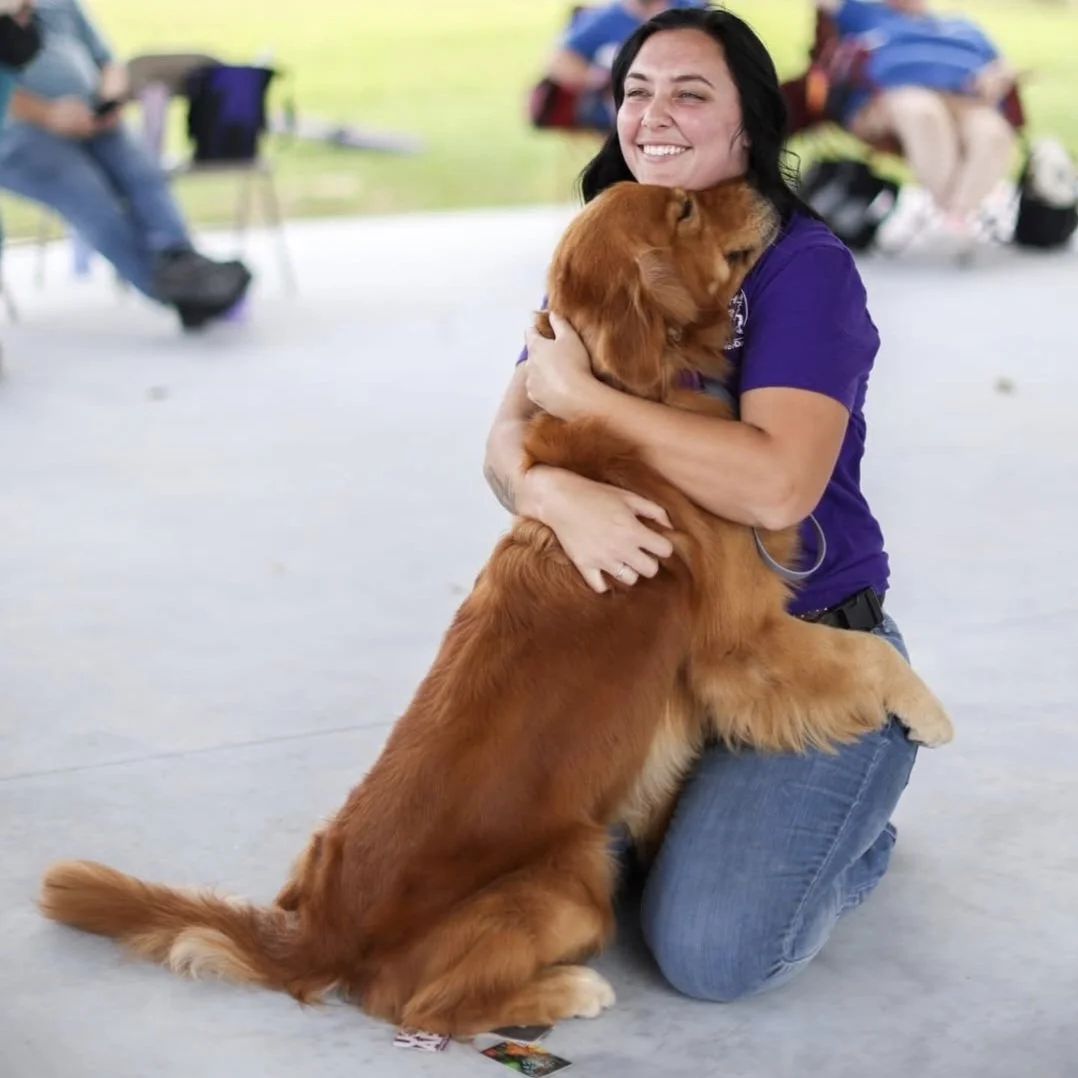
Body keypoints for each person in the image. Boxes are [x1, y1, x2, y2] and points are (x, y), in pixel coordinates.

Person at [485, 5, 933, 1001]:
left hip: (799, 645)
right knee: (518, 890)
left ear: (748, 128)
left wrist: (591, 403)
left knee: (706, 955)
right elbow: (504, 442)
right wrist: (552, 488)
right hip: (648, 657)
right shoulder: (606, 233)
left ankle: (854, 823)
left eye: (691, 94)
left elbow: (777, 478)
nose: (655, 114)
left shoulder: (799, 266)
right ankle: (716, 818)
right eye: (638, 91)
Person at [0, 0, 252, 330]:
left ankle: (180, 258)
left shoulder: (60, 6)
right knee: (89, 195)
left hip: (95, 120)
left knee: (142, 171)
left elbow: (109, 62)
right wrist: (48, 114)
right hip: (22, 136)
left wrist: (110, 99)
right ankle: (179, 291)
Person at [816, 0, 1018, 248]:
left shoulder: (963, 25)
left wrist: (999, 75)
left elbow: (1000, 64)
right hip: (896, 95)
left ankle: (957, 214)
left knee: (993, 133)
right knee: (923, 113)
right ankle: (953, 212)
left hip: (967, 99)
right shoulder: (863, 12)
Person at [544, 0, 708, 129]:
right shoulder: (604, 18)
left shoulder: (692, 10)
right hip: (618, 108)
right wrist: (597, 78)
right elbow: (559, 60)